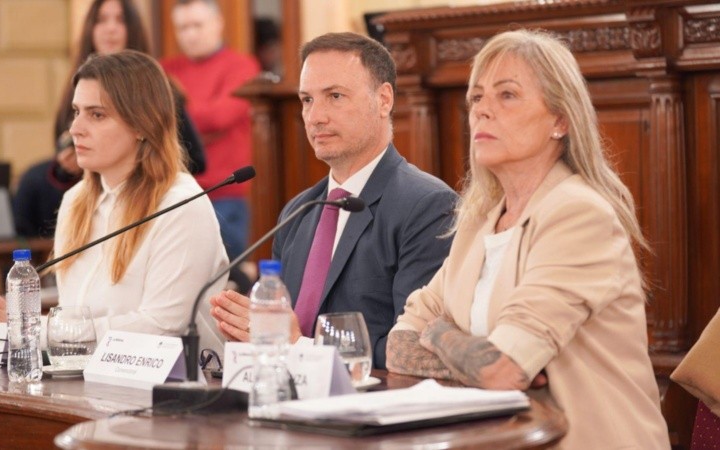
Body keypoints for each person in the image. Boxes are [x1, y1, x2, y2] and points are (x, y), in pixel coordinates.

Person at [385, 30, 669, 449]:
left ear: (560, 120)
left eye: (507, 95)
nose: (482, 111)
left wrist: (440, 333)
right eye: (477, 98)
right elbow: (397, 345)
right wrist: (468, 353)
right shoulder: (477, 221)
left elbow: (503, 371)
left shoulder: (579, 214)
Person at [209, 32, 457, 370]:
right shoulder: (298, 212)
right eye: (307, 100)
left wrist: (301, 346)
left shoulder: (428, 206)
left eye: (335, 96)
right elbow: (279, 331)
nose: (315, 117)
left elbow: (415, 347)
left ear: (384, 100)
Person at [0, 50, 228, 353]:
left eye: (97, 115)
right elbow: (73, 318)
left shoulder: (182, 204)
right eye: (76, 111)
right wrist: (29, 329)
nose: (75, 129)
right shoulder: (74, 202)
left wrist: (36, 332)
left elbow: (162, 326)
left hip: (172, 391)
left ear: (141, 125)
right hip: (84, 382)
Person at [14, 0, 205, 238]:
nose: (111, 28)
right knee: (32, 184)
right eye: (102, 20)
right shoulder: (77, 86)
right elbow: (62, 145)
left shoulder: (158, 89)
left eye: (120, 20)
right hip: (88, 194)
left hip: (146, 196)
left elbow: (196, 159)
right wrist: (66, 169)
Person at [161, 0, 260, 260]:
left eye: (197, 25)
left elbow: (219, 118)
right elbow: (154, 119)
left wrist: (178, 118)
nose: (190, 34)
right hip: (175, 192)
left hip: (225, 192)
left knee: (227, 276)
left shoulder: (242, 66)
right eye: (182, 28)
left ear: (218, 24)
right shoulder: (166, 70)